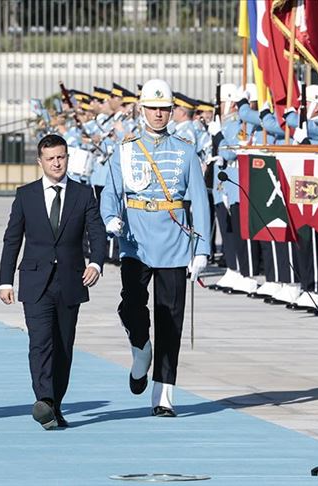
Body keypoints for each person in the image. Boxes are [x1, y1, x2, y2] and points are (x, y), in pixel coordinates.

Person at [100, 79, 211, 417]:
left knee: (170, 317)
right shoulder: (126, 148)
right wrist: (110, 217)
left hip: (174, 240)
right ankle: (140, 347)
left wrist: (201, 248)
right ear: (142, 110)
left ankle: (164, 393)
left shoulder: (185, 149)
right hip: (135, 239)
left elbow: (199, 201)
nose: (159, 114)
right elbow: (111, 190)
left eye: (164, 109)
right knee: (132, 304)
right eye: (153, 108)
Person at [0, 134, 107, 430]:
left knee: (63, 346)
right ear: (40, 161)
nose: (56, 163)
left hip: (71, 280)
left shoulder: (83, 194)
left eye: (61, 157)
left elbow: (97, 233)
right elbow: (12, 239)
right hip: (35, 281)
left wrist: (96, 263)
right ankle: (44, 399)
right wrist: (5, 281)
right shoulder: (26, 195)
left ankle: (55, 405)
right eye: (50, 158)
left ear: (67, 158)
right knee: (40, 342)